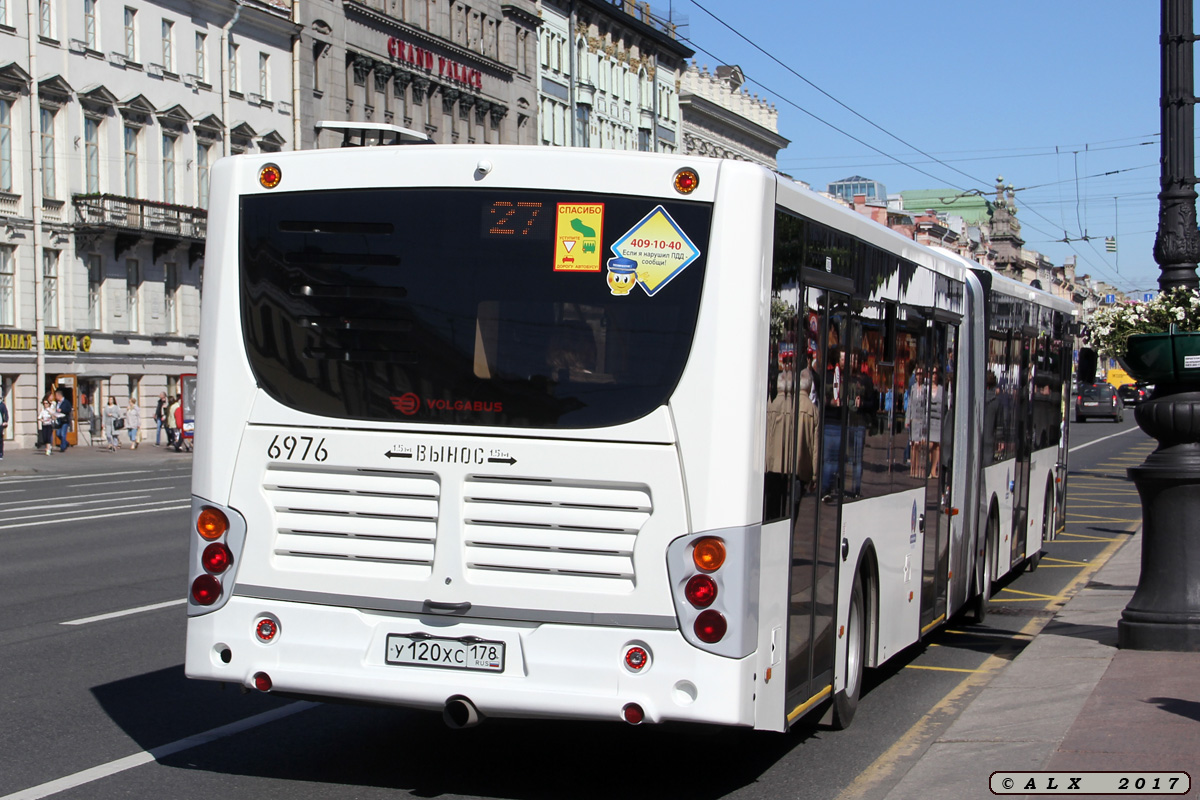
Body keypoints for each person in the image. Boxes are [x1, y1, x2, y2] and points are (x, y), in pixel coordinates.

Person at [0, 386, 7, 460]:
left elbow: (6, 413)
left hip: (0, 424)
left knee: (0, 439)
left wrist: (5, 421)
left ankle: (0, 453)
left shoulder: (2, 405)